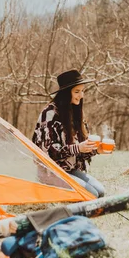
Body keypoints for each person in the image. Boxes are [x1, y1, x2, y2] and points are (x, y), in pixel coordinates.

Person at [32, 69, 106, 198]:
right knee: (92, 194)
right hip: (51, 172)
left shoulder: (75, 113)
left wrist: (96, 150)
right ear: (66, 93)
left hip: (70, 170)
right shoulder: (49, 114)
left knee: (100, 191)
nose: (81, 95)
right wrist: (78, 148)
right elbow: (50, 153)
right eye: (77, 91)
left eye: (82, 91)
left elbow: (79, 153)